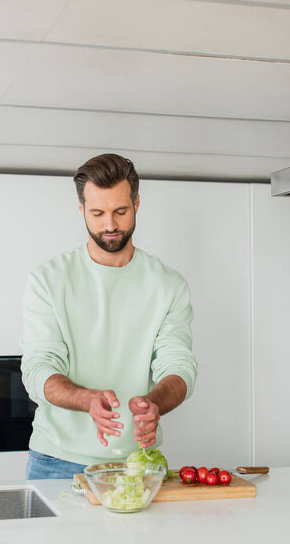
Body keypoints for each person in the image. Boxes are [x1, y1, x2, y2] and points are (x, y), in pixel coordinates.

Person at [20, 154, 198, 480]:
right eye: (98, 213)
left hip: (139, 463)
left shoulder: (168, 285)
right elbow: (37, 367)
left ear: (137, 203)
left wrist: (155, 402)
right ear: (81, 209)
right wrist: (85, 399)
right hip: (55, 462)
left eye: (120, 211)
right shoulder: (48, 280)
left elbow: (179, 365)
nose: (110, 225)